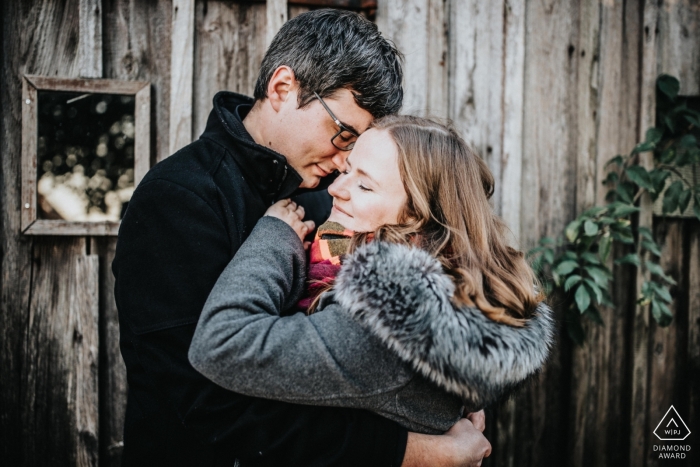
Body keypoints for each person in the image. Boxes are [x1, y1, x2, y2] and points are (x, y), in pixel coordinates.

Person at [113, 9, 491, 467]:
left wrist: (440, 392)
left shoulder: (337, 199)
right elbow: (201, 401)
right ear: (282, 88)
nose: (341, 164)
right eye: (342, 133)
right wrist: (417, 452)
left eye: (356, 146)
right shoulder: (178, 199)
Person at [189, 115, 555, 436]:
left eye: (364, 185)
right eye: (346, 170)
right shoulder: (442, 299)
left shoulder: (383, 328)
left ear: (415, 218)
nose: (335, 188)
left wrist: (274, 235)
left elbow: (220, 345)